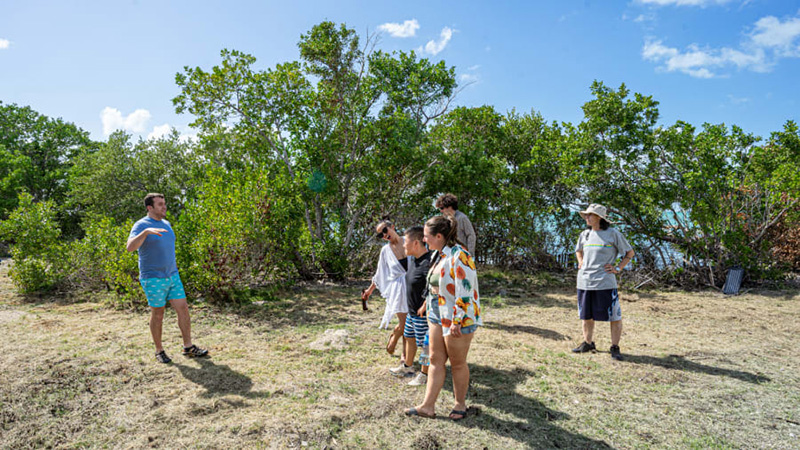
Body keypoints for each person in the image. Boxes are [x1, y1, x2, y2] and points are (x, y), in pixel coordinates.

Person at [405, 215, 482, 420]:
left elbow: (465, 290)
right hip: (437, 315)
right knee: (434, 359)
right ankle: (427, 406)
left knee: (457, 363)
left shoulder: (460, 255)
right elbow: (434, 285)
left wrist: (457, 320)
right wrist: (425, 304)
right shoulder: (438, 255)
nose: (424, 240)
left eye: (426, 236)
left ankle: (460, 404)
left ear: (439, 236)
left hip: (458, 318)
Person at [126, 193, 208, 363]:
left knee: (183, 308)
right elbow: (130, 247)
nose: (164, 207)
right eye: (160, 204)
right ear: (150, 207)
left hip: (172, 275)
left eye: (164, 203)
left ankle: (188, 347)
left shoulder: (166, 223)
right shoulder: (141, 225)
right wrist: (146, 233)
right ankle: (159, 350)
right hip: (153, 278)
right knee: (158, 314)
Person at [572, 204, 635, 361]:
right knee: (586, 315)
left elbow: (629, 253)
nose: (587, 217)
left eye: (590, 215)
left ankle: (614, 347)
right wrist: (580, 261)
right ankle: (588, 343)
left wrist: (618, 268)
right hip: (585, 281)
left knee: (614, 316)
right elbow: (578, 250)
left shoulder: (613, 234)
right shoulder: (584, 234)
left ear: (599, 217)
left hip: (605, 282)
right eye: (586, 215)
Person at [389, 226, 433, 386]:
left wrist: (425, 306)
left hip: (422, 314)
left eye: (406, 242)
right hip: (412, 312)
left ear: (415, 243)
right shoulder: (414, 260)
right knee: (409, 337)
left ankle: (424, 374)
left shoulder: (428, 262)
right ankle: (407, 367)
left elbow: (435, 288)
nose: (404, 245)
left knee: (425, 346)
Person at [361, 219, 409, 355]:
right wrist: (369, 291)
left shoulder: (409, 240)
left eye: (385, 230)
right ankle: (405, 360)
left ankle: (394, 336)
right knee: (406, 323)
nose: (384, 235)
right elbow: (380, 273)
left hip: (414, 286)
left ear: (392, 227)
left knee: (410, 323)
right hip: (399, 289)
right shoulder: (385, 251)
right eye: (380, 235)